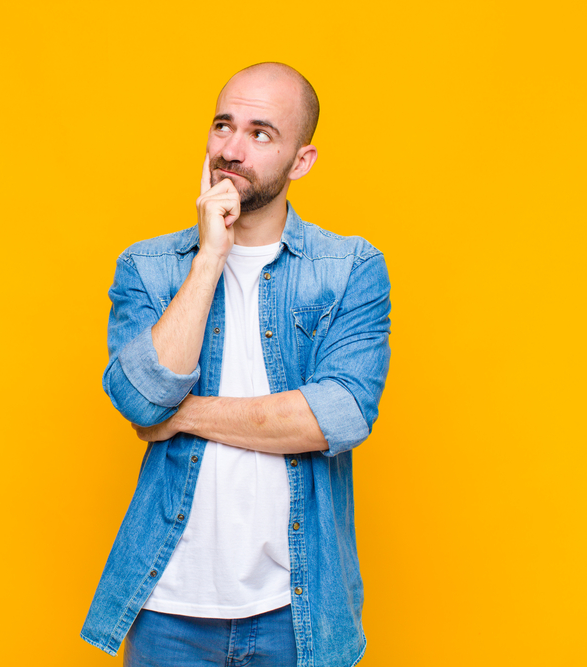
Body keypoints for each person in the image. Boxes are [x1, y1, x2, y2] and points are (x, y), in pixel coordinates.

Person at [80, 63, 392, 667]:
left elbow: (340, 417)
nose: (231, 149)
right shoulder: (149, 267)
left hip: (295, 610)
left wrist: (185, 414)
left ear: (301, 161)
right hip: (167, 610)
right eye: (224, 125)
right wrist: (209, 257)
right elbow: (142, 401)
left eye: (260, 133)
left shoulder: (350, 267)